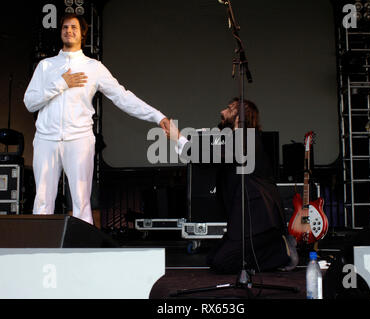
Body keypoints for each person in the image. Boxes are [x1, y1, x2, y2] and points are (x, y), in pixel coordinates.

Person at [24, 13, 171, 225]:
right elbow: (30, 102)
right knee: (42, 200)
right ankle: (39, 250)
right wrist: (60, 83)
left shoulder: (93, 67)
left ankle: (82, 252)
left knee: (82, 201)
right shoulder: (46, 66)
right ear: (60, 32)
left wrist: (157, 116)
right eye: (65, 27)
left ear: (82, 33)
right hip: (47, 138)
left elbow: (122, 97)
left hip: (79, 138)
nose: (69, 31)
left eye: (73, 27)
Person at [169, 98, 298, 274]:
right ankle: (273, 247)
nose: (223, 111)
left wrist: (180, 140)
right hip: (245, 220)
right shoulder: (237, 138)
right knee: (213, 259)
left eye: (229, 108)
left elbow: (212, 156)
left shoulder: (246, 137)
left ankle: (281, 252)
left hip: (258, 219)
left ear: (239, 116)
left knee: (223, 263)